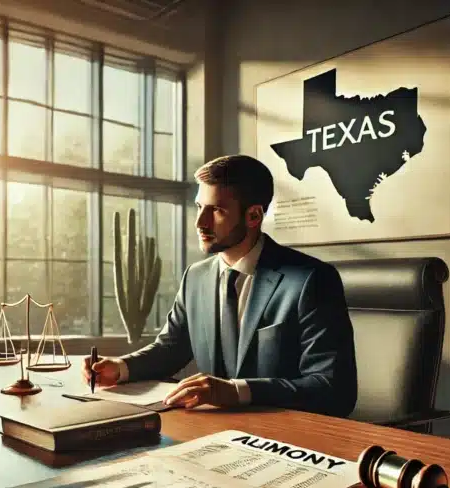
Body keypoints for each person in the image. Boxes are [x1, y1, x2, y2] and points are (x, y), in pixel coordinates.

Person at [83, 154, 357, 417]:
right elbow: (170, 349)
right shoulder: (196, 277)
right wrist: (120, 367)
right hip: (212, 431)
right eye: (199, 207)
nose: (200, 222)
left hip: (284, 435)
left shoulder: (313, 280)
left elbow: (334, 389)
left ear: (253, 216)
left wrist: (238, 391)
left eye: (217, 210)